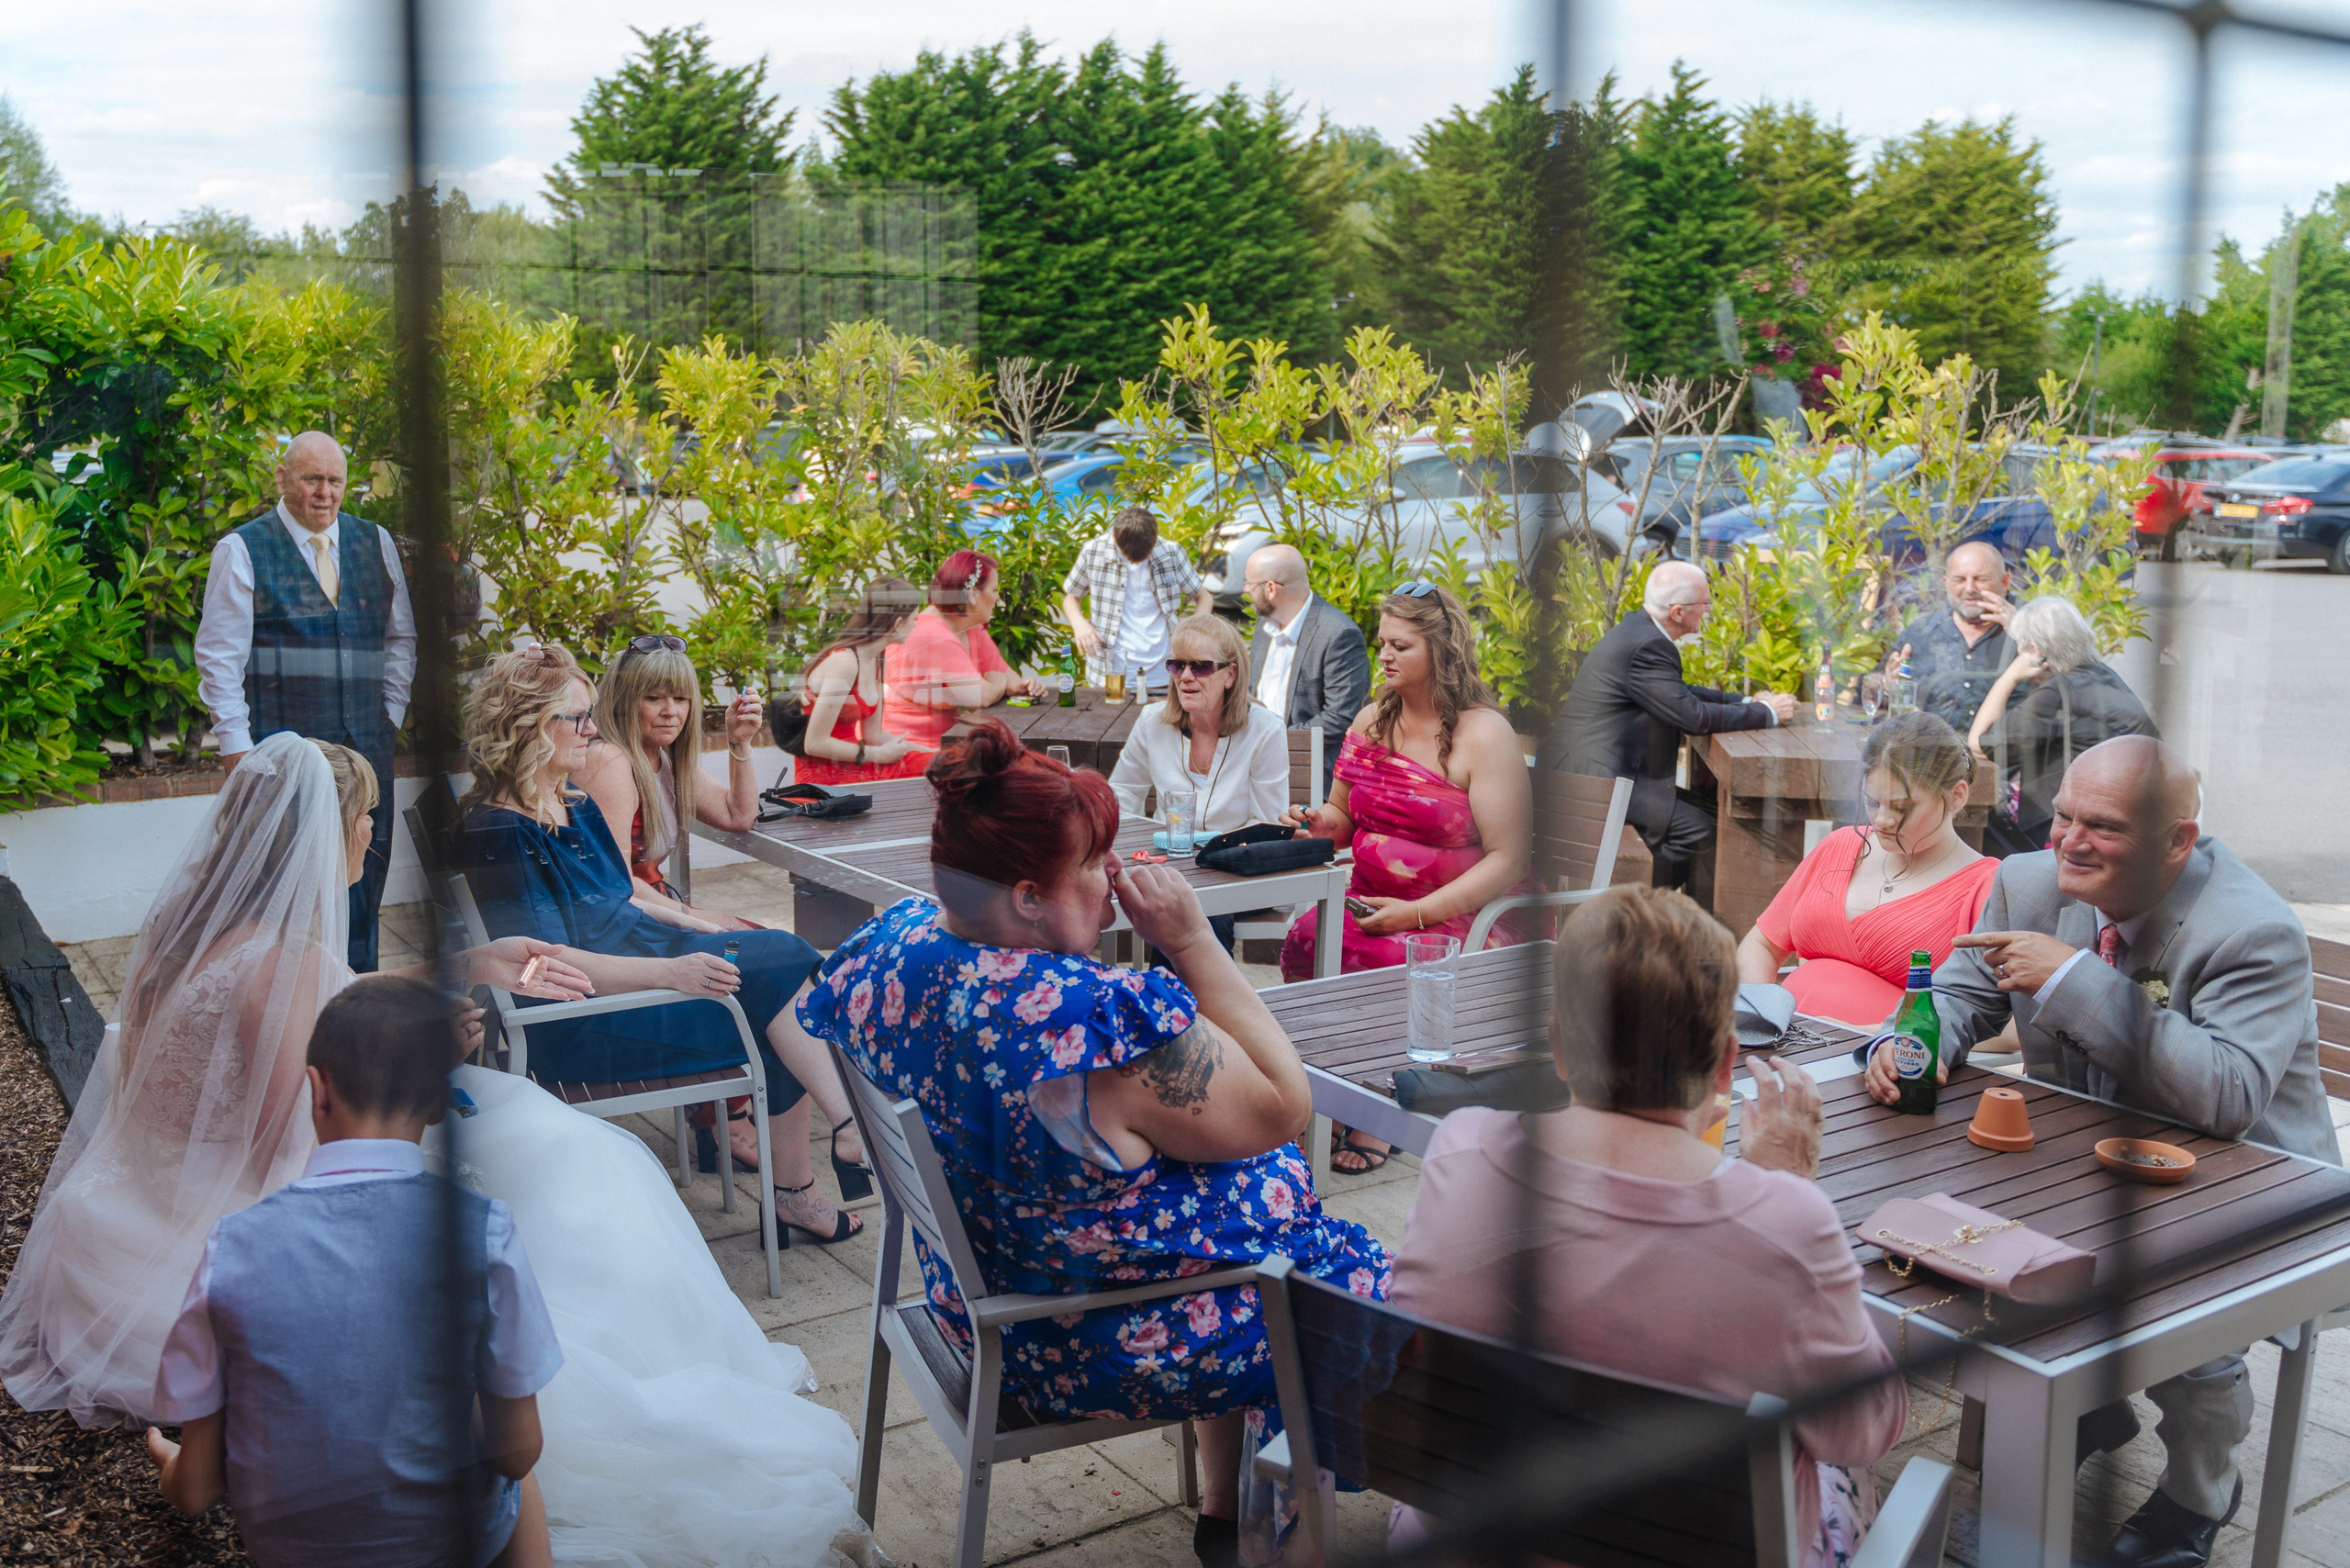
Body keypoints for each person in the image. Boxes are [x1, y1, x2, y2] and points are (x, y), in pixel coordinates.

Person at [797, 723, 1390, 1568]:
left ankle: (1225, 1512)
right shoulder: (1090, 1023)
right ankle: (1280, 1546)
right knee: (1331, 1294)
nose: (1112, 882)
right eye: (1092, 866)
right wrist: (1189, 942)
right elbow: (1283, 1105)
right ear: (1031, 895)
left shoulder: (895, 947)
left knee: (1250, 1208)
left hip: (981, 1300)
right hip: (1080, 1340)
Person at [0, 734, 582, 1427]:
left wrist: (473, 962)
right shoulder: (283, 960)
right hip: (232, 1221)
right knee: (545, 1148)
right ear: (321, 833)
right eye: (365, 814)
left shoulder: (186, 932)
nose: (373, 829)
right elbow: (290, 1146)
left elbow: (325, 992)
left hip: (130, 1210)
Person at [1864, 735, 2335, 1568]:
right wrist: (1918, 1046)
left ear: (2177, 841)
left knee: (2182, 1322)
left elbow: (2226, 1098)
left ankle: (2199, 1493)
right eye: (2065, 816)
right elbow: (1965, 998)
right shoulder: (2028, 882)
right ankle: (2083, 1409)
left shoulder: (2250, 930)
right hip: (2080, 1158)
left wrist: (2074, 976)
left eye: (2104, 827)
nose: (2069, 842)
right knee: (1954, 1254)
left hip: (2244, 1184)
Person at [1388, 885, 1907, 1568]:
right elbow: (1860, 1430)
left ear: (1558, 1049)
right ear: (1725, 1062)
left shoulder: (1461, 1150)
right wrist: (1780, 1188)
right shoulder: (1785, 1220)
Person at [147, 976, 563, 1568]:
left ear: (317, 1091)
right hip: (453, 1543)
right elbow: (518, 1454)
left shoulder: (232, 1245)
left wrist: (172, 1464)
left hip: (294, 1551)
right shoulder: (483, 1229)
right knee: (516, 1480)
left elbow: (197, 1491)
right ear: (441, 1101)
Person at [453, 644, 863, 1246]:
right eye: (580, 720)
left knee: (780, 964)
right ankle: (827, 1155)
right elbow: (542, 963)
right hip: (583, 1019)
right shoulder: (497, 831)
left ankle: (828, 1154)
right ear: (531, 726)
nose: (594, 734)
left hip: (634, 975)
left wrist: (694, 924)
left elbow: (618, 899)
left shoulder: (569, 803)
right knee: (784, 977)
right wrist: (672, 971)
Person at [1278, 582, 1534, 1174]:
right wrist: (1316, 822)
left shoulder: (1483, 734)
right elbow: (1341, 818)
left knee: (1394, 955)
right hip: (1371, 902)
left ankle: (1379, 1110)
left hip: (1462, 914)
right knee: (1309, 937)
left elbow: (1509, 859)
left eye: (1401, 646)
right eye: (1381, 643)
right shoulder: (1371, 721)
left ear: (1440, 653)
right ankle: (1333, 1097)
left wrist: (1414, 914)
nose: (1384, 657)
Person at [196, 431, 417, 971]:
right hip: (286, 756)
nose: (325, 492)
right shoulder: (243, 549)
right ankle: (289, 1008)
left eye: (335, 480)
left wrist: (388, 716)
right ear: (283, 479)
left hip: (366, 750)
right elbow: (219, 658)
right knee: (285, 892)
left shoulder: (376, 541)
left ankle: (356, 1001)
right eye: (311, 479)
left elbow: (400, 639)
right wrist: (236, 750)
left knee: (364, 882)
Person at [1550, 562, 1797, 900]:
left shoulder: (1640, 632)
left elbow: (1680, 693)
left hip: (1602, 771)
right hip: (1599, 781)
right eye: (1705, 604)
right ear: (1678, 612)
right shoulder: (1648, 646)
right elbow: (1693, 717)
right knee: (1702, 831)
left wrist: (1747, 700)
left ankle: (1659, 915)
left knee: (1710, 816)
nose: (1709, 610)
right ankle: (1644, 911)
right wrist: (1767, 713)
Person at [1737, 711, 1998, 1027]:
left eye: (1902, 807)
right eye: (1872, 803)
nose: (1882, 820)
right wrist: (1759, 1013)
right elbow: (1763, 944)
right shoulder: (1840, 846)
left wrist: (1878, 1035)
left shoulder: (1985, 886)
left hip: (1887, 1061)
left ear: (1957, 796)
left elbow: (2006, 1026)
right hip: (1785, 1045)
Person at [574, 633, 765, 931]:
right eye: (653, 698)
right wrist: (700, 917)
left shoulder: (662, 757)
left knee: (783, 950)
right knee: (781, 953)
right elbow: (617, 885)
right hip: (627, 922)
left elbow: (738, 815)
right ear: (624, 702)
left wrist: (740, 741)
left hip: (656, 909)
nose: (671, 712)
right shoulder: (608, 760)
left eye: (680, 698)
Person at [1965, 595, 2156, 855]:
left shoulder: (2060, 690)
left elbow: (1980, 745)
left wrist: (2010, 676)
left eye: (2019, 648)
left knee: (1971, 823)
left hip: (2068, 834)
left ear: (2034, 652)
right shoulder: (2102, 675)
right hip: (2119, 823)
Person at [881, 549, 1050, 762]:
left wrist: (1018, 686)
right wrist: (997, 682)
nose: (998, 597)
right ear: (972, 595)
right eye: (995, 590)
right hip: (909, 752)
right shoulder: (932, 634)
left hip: (947, 744)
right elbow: (981, 696)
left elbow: (1012, 680)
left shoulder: (969, 627)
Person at [1242, 543, 1371, 793]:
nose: (1246, 590)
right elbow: (1251, 692)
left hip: (1311, 774)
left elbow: (1339, 718)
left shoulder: (1339, 634)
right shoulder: (1264, 626)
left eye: (1249, 584)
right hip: (1258, 762)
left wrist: (1274, 741)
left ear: (1270, 588)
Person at [1061, 505, 1213, 691]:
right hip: (1109, 673)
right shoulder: (1094, 551)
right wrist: (1079, 624)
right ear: (1114, 537)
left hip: (1165, 672)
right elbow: (1071, 598)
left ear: (1155, 537)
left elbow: (1203, 597)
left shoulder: (1170, 552)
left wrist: (1192, 633)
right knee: (1108, 720)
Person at [794, 577, 926, 785]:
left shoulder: (875, 658)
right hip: (825, 777)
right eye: (915, 619)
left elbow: (874, 736)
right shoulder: (845, 663)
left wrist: (938, 752)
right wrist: (877, 755)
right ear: (898, 623)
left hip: (856, 762)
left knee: (940, 765)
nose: (917, 625)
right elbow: (814, 743)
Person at [1889, 540, 2018, 732]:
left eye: (1980, 579)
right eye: (1959, 580)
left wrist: (2022, 632)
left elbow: (2068, 682)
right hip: (1934, 753)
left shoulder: (2031, 626)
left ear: (2005, 581)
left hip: (2009, 756)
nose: (1969, 588)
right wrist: (1886, 683)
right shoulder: (1922, 631)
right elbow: (1873, 685)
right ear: (1946, 583)